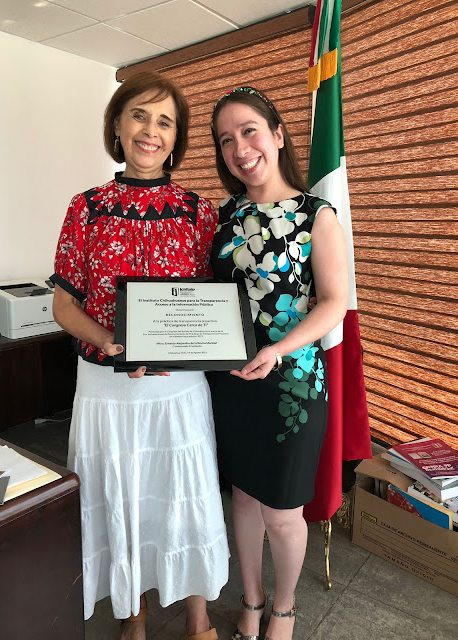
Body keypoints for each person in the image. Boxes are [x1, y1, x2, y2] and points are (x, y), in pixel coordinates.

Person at [51, 71, 228, 640]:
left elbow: (216, 307)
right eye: (139, 116)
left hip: (177, 389)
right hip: (107, 387)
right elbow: (64, 305)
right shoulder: (85, 208)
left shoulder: (201, 212)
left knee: (184, 496)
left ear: (176, 140)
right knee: (120, 497)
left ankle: (198, 618)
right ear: (118, 126)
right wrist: (109, 341)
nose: (151, 131)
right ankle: (135, 612)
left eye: (165, 122)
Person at [208, 87, 348, 640]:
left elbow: (334, 302)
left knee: (283, 512)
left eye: (249, 131)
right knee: (243, 496)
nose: (240, 149)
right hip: (231, 381)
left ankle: (284, 608)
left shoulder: (317, 215)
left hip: (293, 385)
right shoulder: (223, 215)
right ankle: (252, 596)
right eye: (226, 140)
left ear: (278, 135)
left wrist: (277, 349)